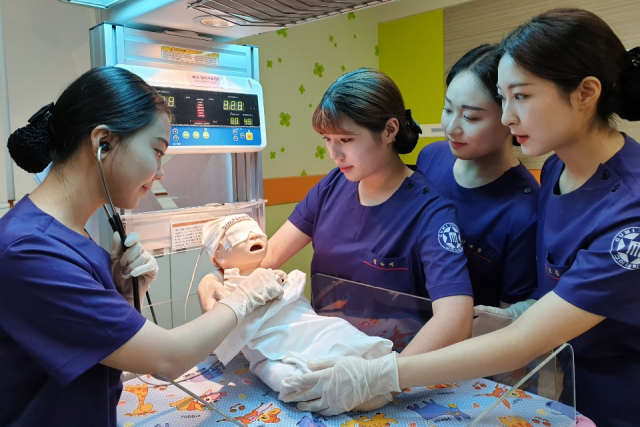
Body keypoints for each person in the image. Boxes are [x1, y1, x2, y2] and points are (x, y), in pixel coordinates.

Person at [279, 9, 640, 427]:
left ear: (585, 93)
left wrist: (383, 375)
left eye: (520, 97)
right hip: (552, 375)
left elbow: (525, 340)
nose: (506, 117)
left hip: (618, 393)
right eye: (502, 99)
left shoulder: (626, 213)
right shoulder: (559, 167)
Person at [0, 66, 284, 427]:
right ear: (103, 142)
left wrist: (123, 294)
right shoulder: (29, 251)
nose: (161, 171)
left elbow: (99, 349)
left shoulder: (68, 233)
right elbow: (168, 359)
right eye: (157, 151)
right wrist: (245, 297)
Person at [262, 68, 474, 359]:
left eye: (346, 140)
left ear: (389, 130)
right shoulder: (331, 187)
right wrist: (223, 276)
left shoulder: (430, 210)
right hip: (327, 352)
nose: (334, 154)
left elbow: (455, 319)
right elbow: (270, 254)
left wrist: (387, 375)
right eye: (327, 139)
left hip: (396, 363)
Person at [197, 214, 392, 406]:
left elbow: (300, 311)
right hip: (271, 349)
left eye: (256, 231)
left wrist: (284, 284)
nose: (254, 236)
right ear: (218, 257)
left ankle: (378, 372)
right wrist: (211, 283)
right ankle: (345, 392)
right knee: (285, 377)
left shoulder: (279, 277)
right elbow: (227, 333)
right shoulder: (225, 293)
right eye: (239, 235)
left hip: (311, 327)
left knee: (340, 330)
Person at [417, 44, 539, 321]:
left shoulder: (525, 210)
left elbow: (510, 317)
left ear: (510, 118)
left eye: (471, 117)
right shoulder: (430, 158)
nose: (451, 128)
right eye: (448, 109)